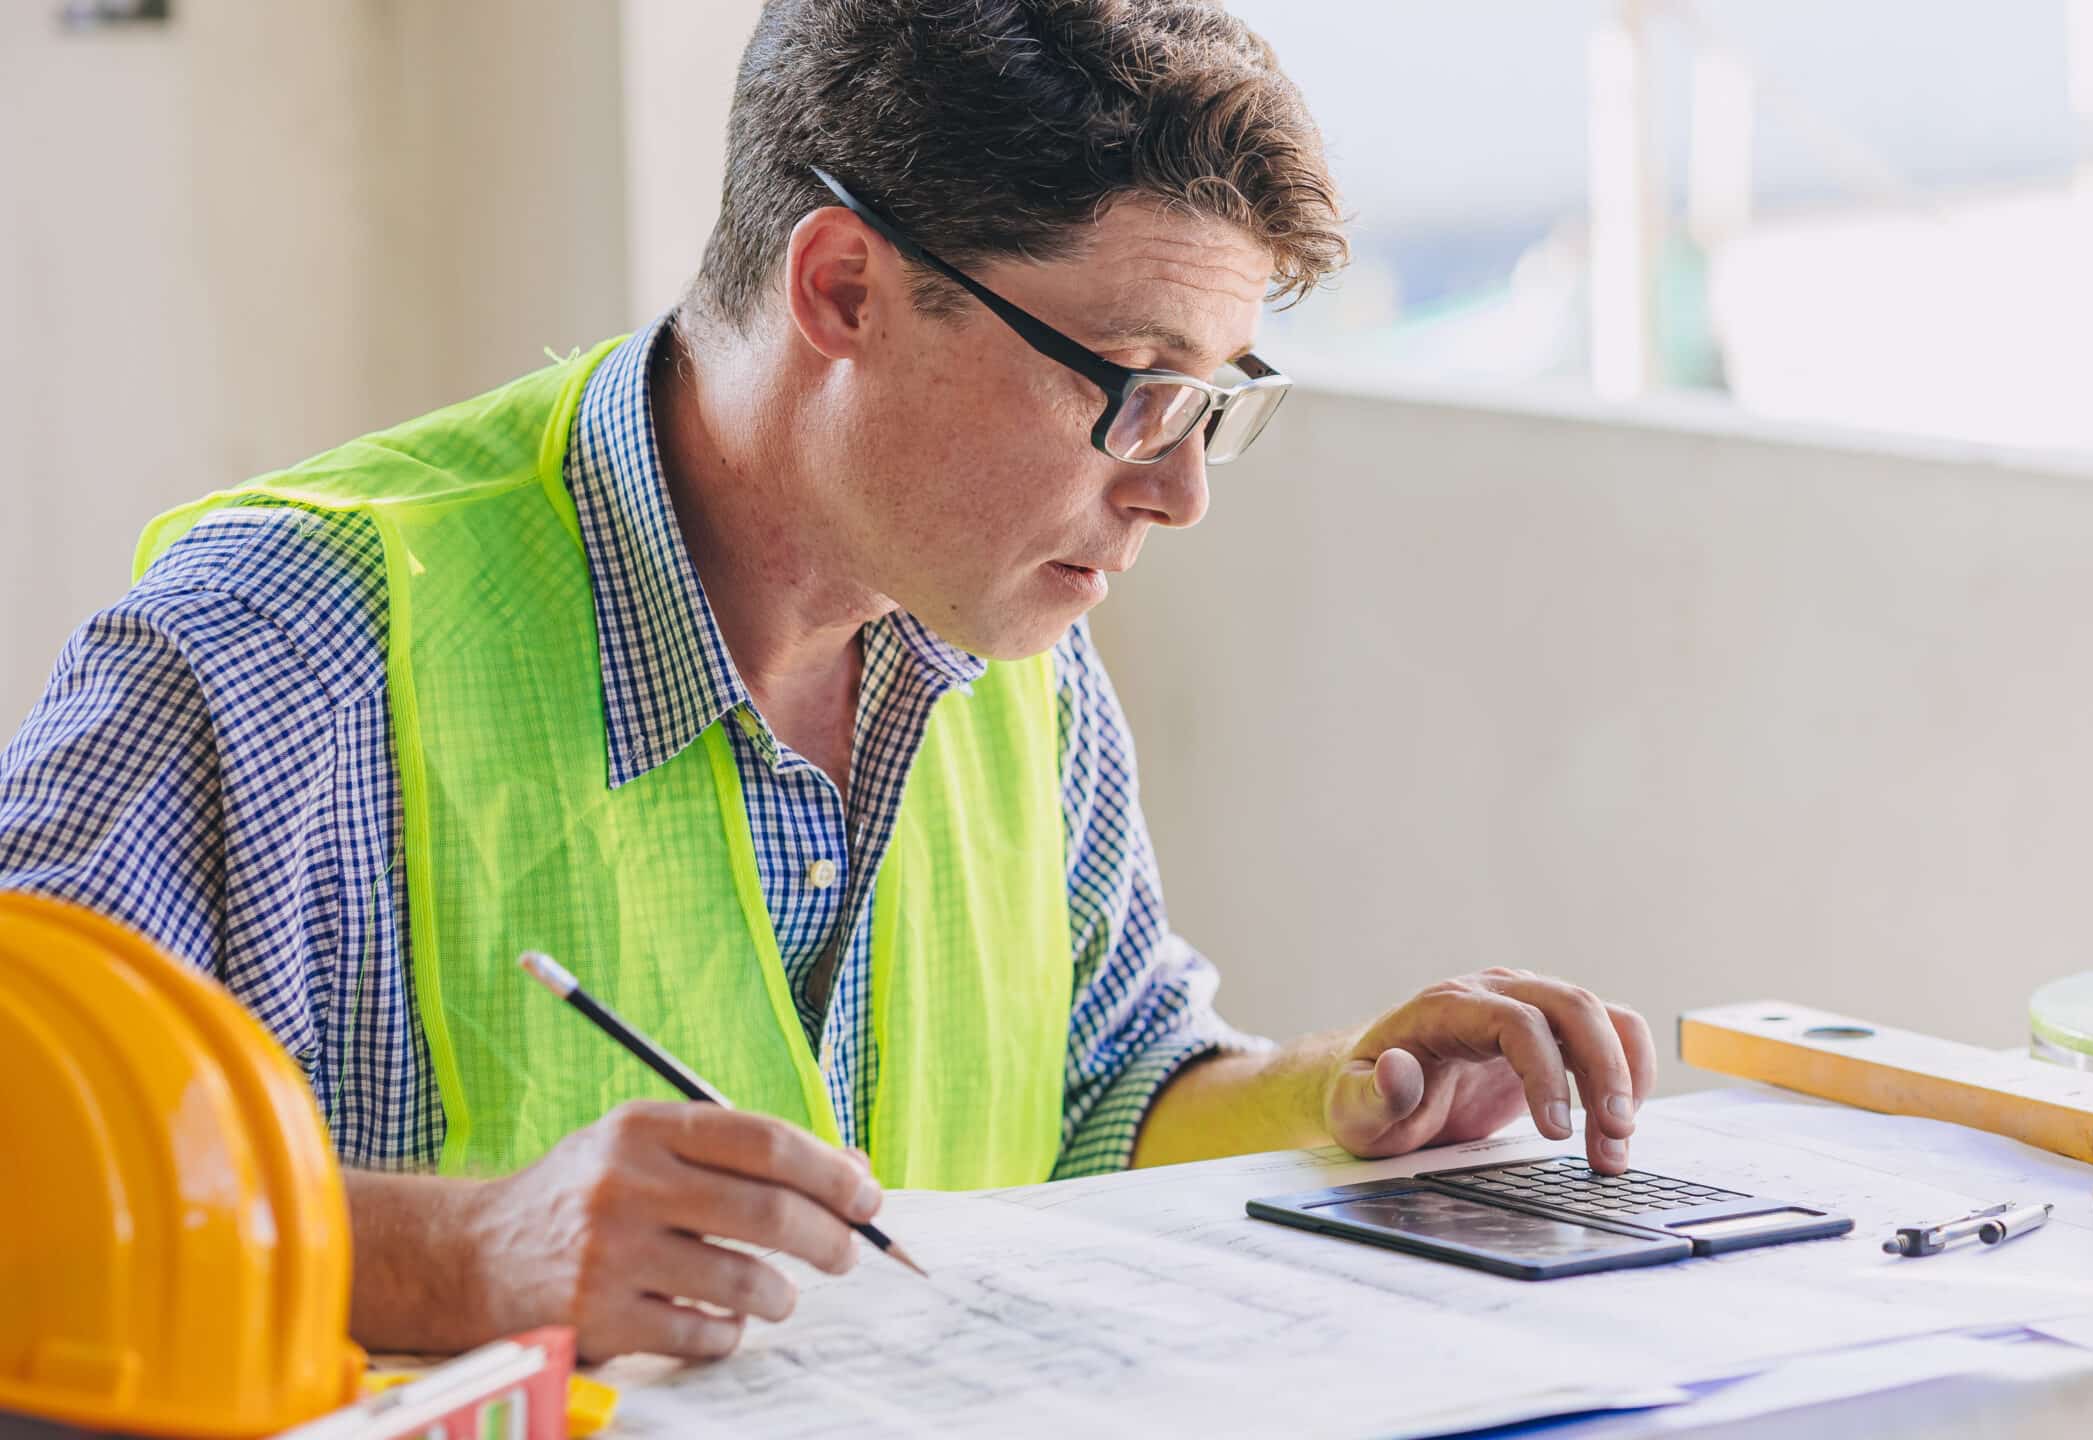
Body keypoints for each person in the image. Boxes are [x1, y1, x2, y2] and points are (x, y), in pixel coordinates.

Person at [0, 0, 1653, 1363]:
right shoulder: (278, 652)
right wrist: (468, 1253)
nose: (1177, 489)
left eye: (1214, 400)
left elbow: (1096, 1097)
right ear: (843, 288)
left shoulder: (1014, 646)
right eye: (1135, 388)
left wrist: (1346, 1096)